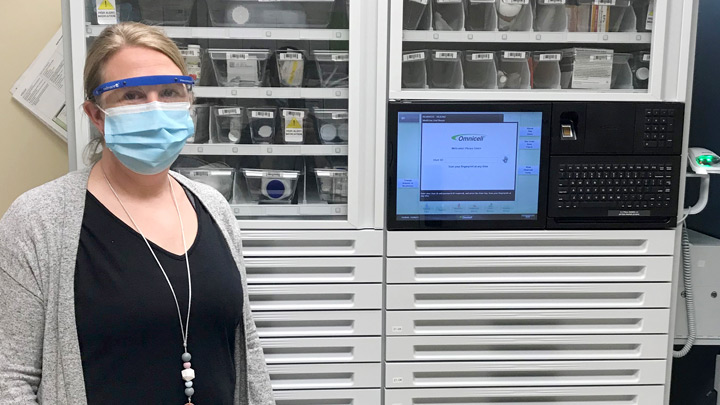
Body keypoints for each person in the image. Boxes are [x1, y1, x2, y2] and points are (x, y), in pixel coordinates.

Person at [0, 22, 274, 405]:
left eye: (169, 92)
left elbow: (247, 351)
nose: (155, 108)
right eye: (131, 95)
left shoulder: (214, 208)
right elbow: (11, 378)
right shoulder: (38, 220)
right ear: (96, 116)